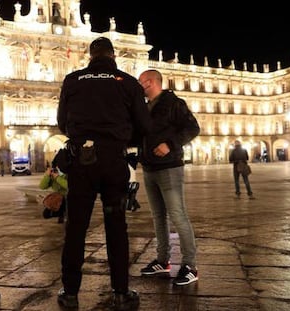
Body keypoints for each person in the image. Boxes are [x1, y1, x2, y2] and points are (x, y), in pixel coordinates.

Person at [56, 37, 151, 310]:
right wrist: (120, 137)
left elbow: (62, 122)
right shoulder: (128, 82)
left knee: (76, 228)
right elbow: (143, 124)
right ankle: (120, 291)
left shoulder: (73, 80)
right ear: (113, 56)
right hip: (113, 162)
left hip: (81, 162)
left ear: (90, 56)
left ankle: (70, 292)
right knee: (116, 227)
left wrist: (82, 134)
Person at [138, 69, 200, 286]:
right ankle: (163, 260)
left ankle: (190, 265)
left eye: (142, 82)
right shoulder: (144, 108)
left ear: (152, 82)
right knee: (158, 216)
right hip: (149, 167)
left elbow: (193, 128)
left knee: (177, 215)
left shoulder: (174, 103)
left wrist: (170, 144)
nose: (140, 86)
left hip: (169, 167)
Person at [39, 156, 68, 223]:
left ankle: (64, 213)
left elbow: (68, 186)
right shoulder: (53, 174)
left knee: (65, 204)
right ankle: (61, 213)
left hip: (69, 198)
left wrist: (57, 178)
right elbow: (42, 186)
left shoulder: (68, 174)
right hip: (57, 199)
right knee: (46, 214)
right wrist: (47, 176)